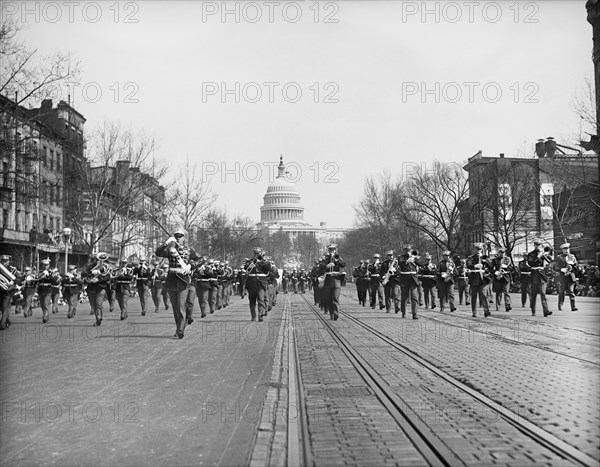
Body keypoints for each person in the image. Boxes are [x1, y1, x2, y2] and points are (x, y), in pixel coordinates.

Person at [155, 228, 197, 338]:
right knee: (175, 308)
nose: (178, 238)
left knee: (181, 305)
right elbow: (158, 253)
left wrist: (190, 266)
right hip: (171, 279)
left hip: (183, 280)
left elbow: (200, 259)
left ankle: (180, 330)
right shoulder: (170, 249)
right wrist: (166, 243)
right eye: (176, 236)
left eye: (180, 236)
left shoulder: (189, 250)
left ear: (185, 238)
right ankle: (178, 327)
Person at [82, 252, 112, 326]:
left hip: (101, 287)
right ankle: (98, 317)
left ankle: (98, 318)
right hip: (91, 288)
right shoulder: (90, 267)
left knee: (98, 303)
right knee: (94, 304)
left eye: (101, 259)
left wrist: (98, 279)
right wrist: (90, 275)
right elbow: (84, 274)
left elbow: (108, 277)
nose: (99, 261)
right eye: (96, 259)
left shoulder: (106, 267)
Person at [526, 238, 553, 317]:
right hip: (534, 275)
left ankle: (546, 311)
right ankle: (533, 310)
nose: (538, 246)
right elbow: (531, 263)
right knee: (533, 295)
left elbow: (550, 261)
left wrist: (545, 255)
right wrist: (538, 257)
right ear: (534, 245)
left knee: (543, 294)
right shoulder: (530, 254)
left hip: (541, 275)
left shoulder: (542, 254)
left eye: (539, 245)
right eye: (537, 245)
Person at [318, 243, 346, 320]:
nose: (332, 251)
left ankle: (336, 313)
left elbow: (343, 265)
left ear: (335, 250)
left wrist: (337, 260)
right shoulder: (325, 258)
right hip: (328, 280)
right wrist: (327, 265)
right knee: (329, 298)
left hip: (336, 280)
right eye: (330, 250)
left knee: (335, 297)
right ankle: (332, 314)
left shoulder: (338, 257)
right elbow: (321, 267)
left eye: (333, 250)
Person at [244, 247, 272, 321]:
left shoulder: (265, 262)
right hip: (251, 284)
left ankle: (260, 315)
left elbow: (268, 268)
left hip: (261, 284)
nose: (257, 255)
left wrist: (261, 261)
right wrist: (253, 262)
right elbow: (246, 268)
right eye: (256, 253)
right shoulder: (250, 261)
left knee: (261, 299)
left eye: (258, 253)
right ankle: (253, 316)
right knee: (252, 301)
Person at [466, 243, 492, 317]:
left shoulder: (484, 257)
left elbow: (490, 265)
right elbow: (468, 265)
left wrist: (485, 260)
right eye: (477, 248)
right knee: (474, 296)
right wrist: (474, 265)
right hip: (474, 278)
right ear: (474, 249)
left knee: (484, 295)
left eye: (480, 249)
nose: (478, 250)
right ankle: (474, 312)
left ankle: (486, 310)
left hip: (483, 278)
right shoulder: (471, 257)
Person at [554, 242, 579, 311]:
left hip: (571, 277)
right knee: (562, 292)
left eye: (567, 249)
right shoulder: (560, 257)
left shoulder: (572, 257)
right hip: (562, 277)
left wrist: (573, 265)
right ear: (562, 250)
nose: (567, 250)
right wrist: (561, 269)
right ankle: (560, 306)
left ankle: (573, 307)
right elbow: (555, 267)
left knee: (571, 292)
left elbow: (577, 268)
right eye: (565, 249)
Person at [398, 245, 421, 319]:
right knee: (404, 297)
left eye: (409, 250)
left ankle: (415, 313)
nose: (408, 251)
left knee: (414, 296)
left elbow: (421, 264)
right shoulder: (401, 257)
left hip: (413, 279)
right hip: (404, 278)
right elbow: (401, 264)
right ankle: (403, 312)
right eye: (406, 250)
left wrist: (416, 258)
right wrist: (407, 261)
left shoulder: (414, 257)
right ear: (404, 251)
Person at [0, 254, 21, 330]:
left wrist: (13, 282)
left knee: (4, 306)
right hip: (0, 290)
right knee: (2, 307)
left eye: (6, 261)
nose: (4, 262)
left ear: (9, 261)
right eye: (2, 260)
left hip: (8, 291)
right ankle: (6, 320)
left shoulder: (12, 269)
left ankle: (2, 323)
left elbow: (19, 278)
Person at [491, 248, 513, 312]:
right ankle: (498, 306)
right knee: (498, 293)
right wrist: (495, 272)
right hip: (498, 277)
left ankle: (507, 305)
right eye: (501, 252)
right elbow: (491, 268)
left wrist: (507, 268)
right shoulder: (495, 260)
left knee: (506, 292)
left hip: (505, 277)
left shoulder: (507, 259)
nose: (502, 254)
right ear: (498, 253)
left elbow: (511, 268)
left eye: (503, 252)